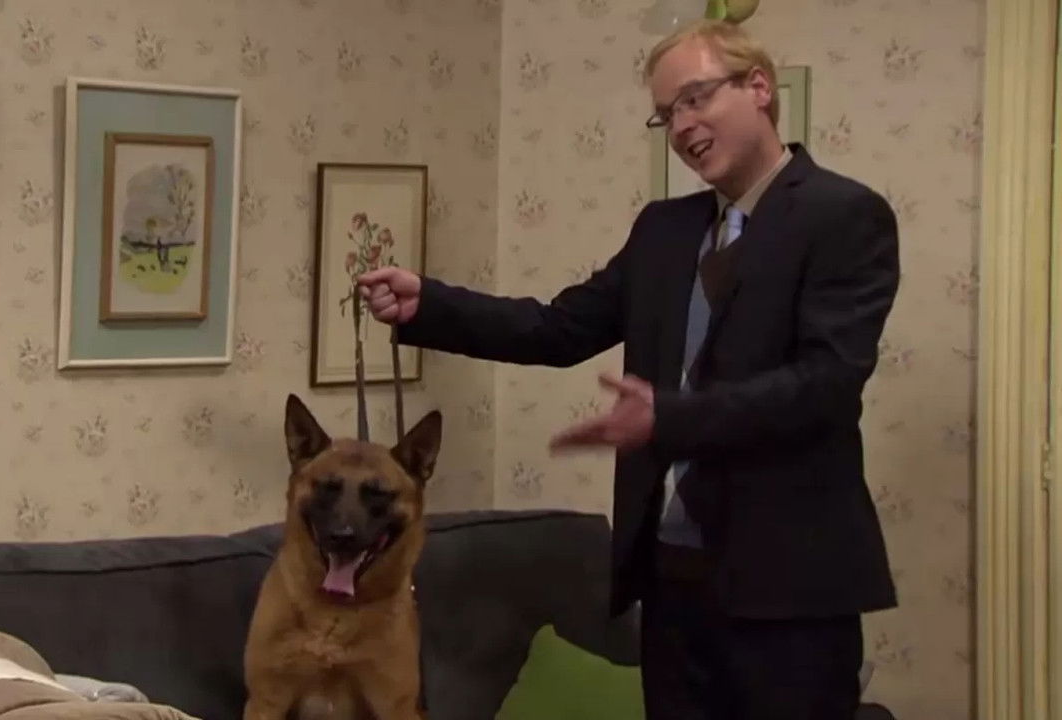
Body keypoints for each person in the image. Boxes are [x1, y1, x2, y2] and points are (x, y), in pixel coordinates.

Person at [356, 18, 899, 720]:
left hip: (791, 589)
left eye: (696, 98)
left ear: (759, 87)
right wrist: (429, 305)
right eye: (667, 113)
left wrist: (667, 417)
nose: (683, 125)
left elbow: (824, 384)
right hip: (671, 580)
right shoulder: (663, 230)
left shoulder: (843, 215)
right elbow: (558, 328)